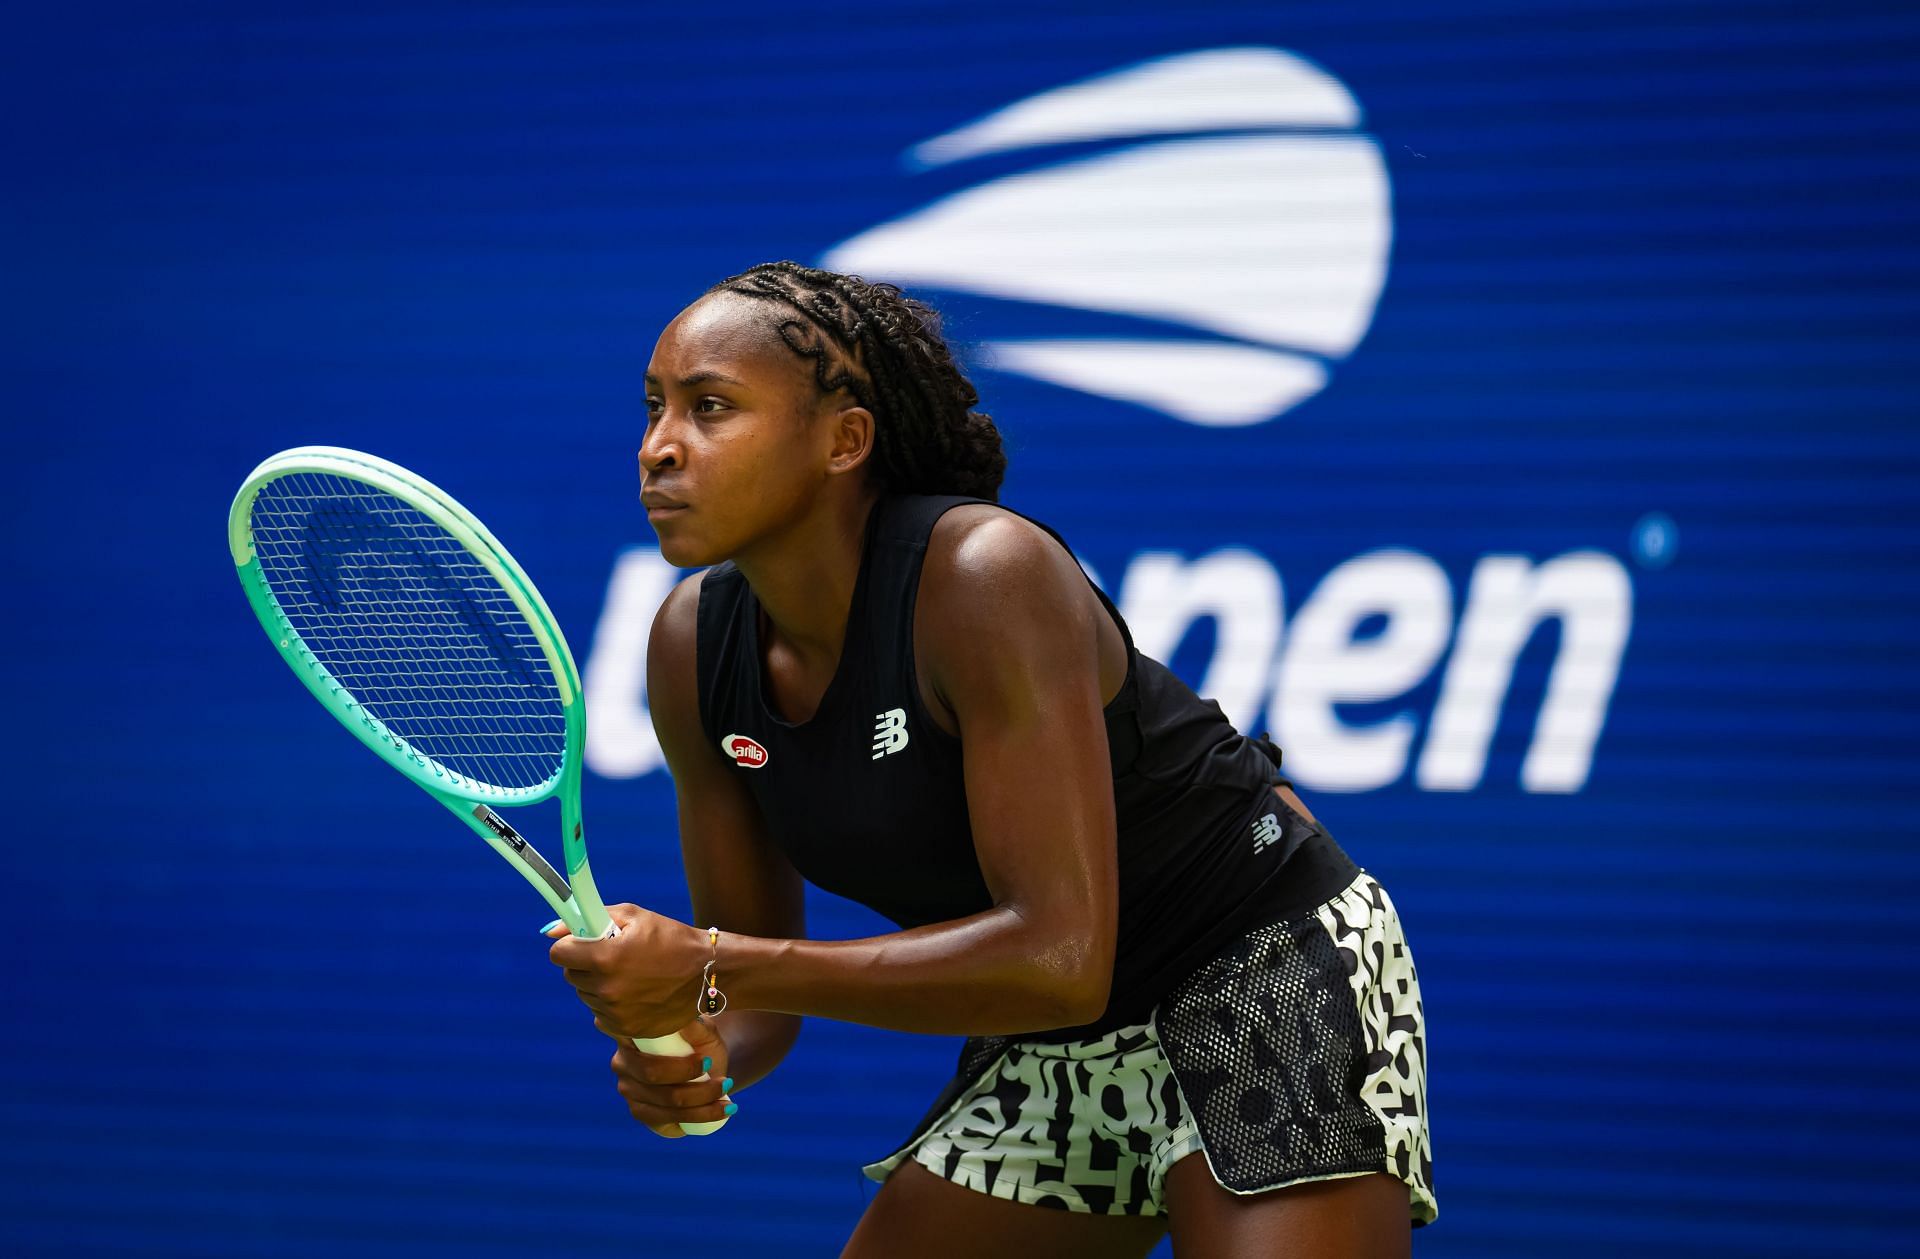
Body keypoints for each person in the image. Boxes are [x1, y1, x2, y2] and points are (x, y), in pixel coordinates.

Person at [547, 261, 1435, 1257]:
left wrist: (710, 964)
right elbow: (754, 987)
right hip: (1056, 1032)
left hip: (1258, 969)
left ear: (845, 440)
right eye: (656, 407)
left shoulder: (982, 577)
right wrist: (702, 1040)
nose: (659, 447)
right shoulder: (690, 649)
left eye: (711, 407)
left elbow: (1056, 958)